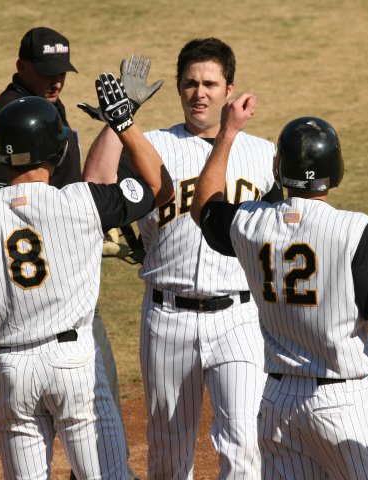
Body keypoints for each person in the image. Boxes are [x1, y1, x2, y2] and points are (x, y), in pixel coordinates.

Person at [0, 27, 143, 480]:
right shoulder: (9, 115)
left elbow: (83, 184)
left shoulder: (48, 106)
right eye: (46, 71)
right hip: (31, 280)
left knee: (32, 383)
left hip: (57, 266)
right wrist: (65, 232)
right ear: (21, 65)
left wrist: (115, 125)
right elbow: (4, 207)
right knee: (19, 390)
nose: (56, 80)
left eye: (61, 71)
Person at [82, 38, 283, 479]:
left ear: (230, 90)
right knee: (169, 452)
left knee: (245, 441)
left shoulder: (264, 155)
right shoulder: (151, 144)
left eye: (210, 83)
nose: (200, 93)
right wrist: (119, 121)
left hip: (240, 318)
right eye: (190, 83)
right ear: (176, 87)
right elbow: (95, 182)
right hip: (167, 317)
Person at [189, 104, 368, 479]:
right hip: (343, 404)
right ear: (335, 171)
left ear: (279, 170)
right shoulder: (353, 229)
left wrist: (227, 134)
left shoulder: (250, 223)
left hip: (278, 403)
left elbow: (205, 206)